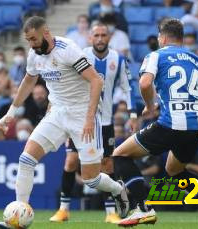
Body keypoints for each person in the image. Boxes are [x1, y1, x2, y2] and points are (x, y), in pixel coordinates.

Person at [0, 16, 129, 229]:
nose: (31, 44)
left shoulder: (69, 49)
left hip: (83, 114)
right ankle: (18, 215)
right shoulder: (34, 54)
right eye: (28, 40)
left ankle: (116, 189)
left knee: (91, 179)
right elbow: (29, 80)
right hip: (57, 112)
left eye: (34, 39)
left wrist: (89, 119)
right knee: (26, 159)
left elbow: (96, 80)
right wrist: (11, 112)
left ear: (46, 32)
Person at [112, 18, 198, 228]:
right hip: (196, 126)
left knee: (120, 155)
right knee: (175, 170)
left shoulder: (156, 55)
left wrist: (150, 106)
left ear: (162, 37)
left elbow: (144, 83)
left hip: (171, 123)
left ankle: (143, 209)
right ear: (181, 38)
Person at [49, 22, 137, 224]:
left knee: (106, 164)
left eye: (103, 35)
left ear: (109, 37)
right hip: (79, 118)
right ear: (90, 38)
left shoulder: (118, 59)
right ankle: (63, 209)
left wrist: (132, 114)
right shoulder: (80, 55)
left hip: (104, 122)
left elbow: (128, 87)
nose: (99, 39)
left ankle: (110, 213)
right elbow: (66, 83)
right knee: (71, 161)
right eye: (96, 35)